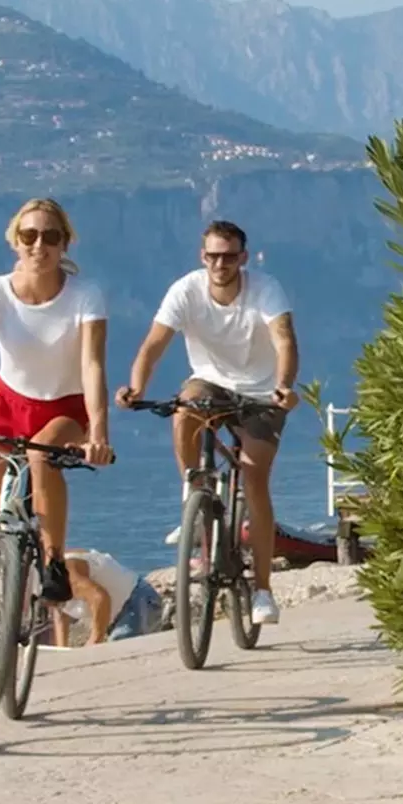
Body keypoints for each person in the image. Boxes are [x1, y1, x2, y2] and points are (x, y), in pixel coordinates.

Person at [0, 197, 115, 647]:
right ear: (15, 241)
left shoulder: (85, 295)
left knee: (39, 455)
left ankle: (52, 562)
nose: (39, 245)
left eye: (51, 236)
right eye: (29, 236)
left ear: (65, 243)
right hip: (5, 408)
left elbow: (93, 366)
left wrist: (100, 433)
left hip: (66, 409)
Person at [117, 219, 298, 626]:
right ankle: (195, 495)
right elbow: (154, 343)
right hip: (211, 382)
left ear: (243, 258)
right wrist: (135, 386)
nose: (220, 264)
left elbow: (285, 339)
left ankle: (264, 591)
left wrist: (284, 386)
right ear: (203, 257)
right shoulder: (186, 290)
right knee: (184, 409)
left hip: (263, 391)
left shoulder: (265, 290)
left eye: (229, 256)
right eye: (213, 256)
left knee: (254, 479)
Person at [58, 548, 157, 645]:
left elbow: (99, 598)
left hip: (136, 600)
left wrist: (95, 641)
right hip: (116, 611)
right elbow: (60, 609)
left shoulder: (65, 569)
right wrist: (61, 649)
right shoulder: (49, 574)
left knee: (119, 654)